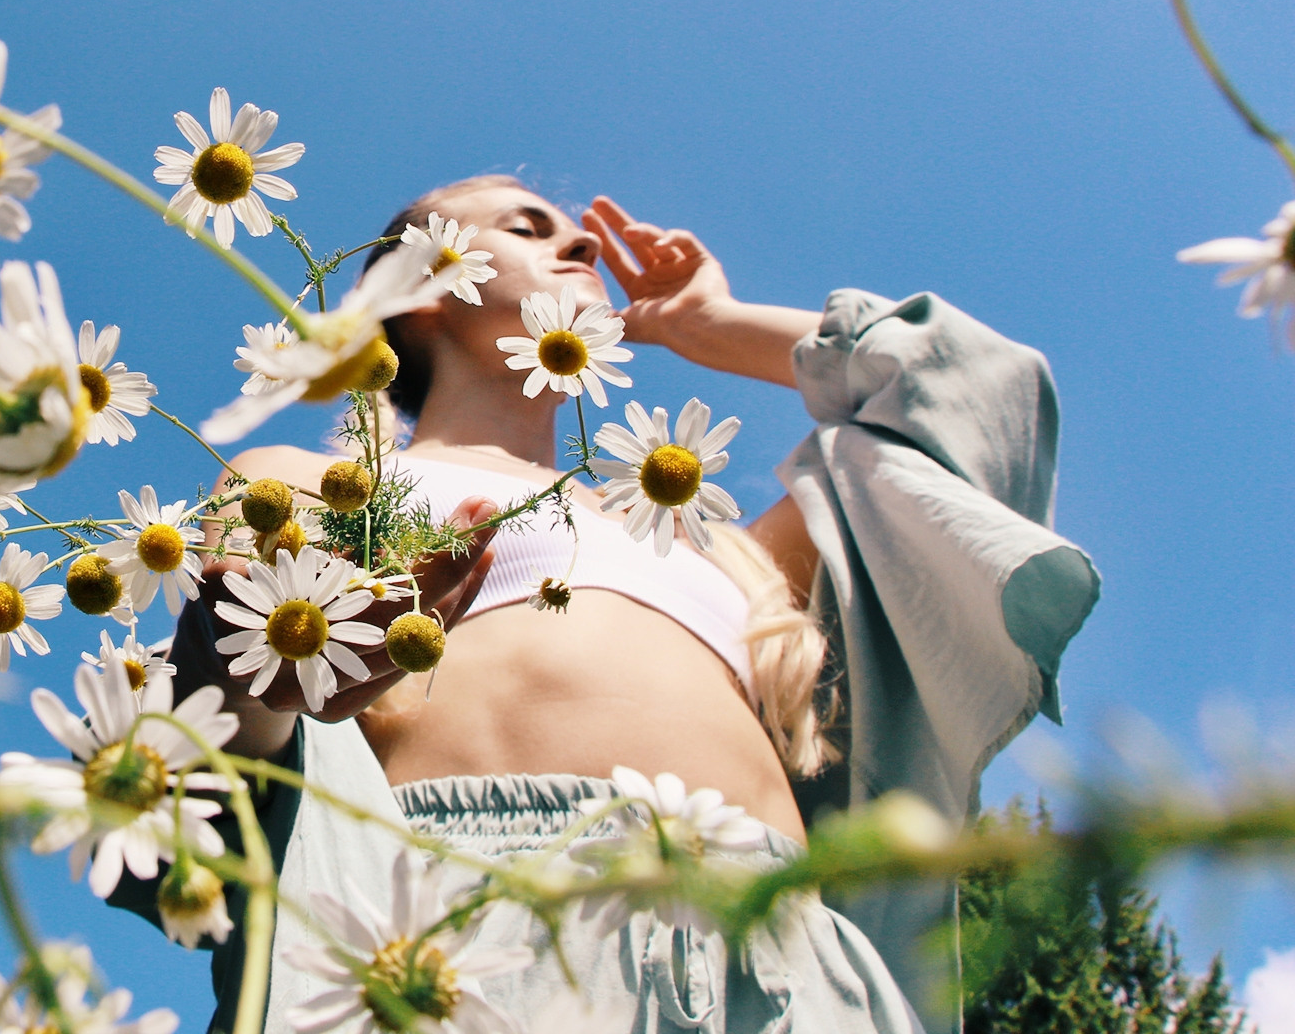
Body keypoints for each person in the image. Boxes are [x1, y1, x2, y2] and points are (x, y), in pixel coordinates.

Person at [112, 175, 1101, 1034]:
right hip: (458, 940)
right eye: (526, 228)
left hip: (790, 963)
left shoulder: (730, 554)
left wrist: (712, 326)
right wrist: (274, 661)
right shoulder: (320, 483)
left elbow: (971, 390)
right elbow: (223, 742)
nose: (581, 240)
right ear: (418, 290)